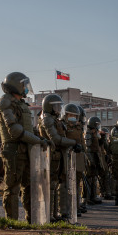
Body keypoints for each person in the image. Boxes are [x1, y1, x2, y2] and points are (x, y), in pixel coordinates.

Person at [0, 72, 49, 222]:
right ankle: (11, 222)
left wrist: (40, 138)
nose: (26, 88)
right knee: (12, 187)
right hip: (13, 150)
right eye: (24, 85)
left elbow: (28, 129)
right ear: (16, 85)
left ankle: (31, 219)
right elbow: (15, 131)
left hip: (26, 150)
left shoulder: (21, 104)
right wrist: (37, 141)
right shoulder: (5, 102)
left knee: (29, 186)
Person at [38, 94, 79, 222]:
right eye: (56, 106)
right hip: (52, 156)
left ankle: (55, 214)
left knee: (55, 185)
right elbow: (55, 139)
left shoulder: (53, 119)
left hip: (57, 155)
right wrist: (73, 143)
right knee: (51, 186)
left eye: (59, 106)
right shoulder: (47, 119)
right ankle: (49, 215)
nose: (58, 108)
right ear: (49, 106)